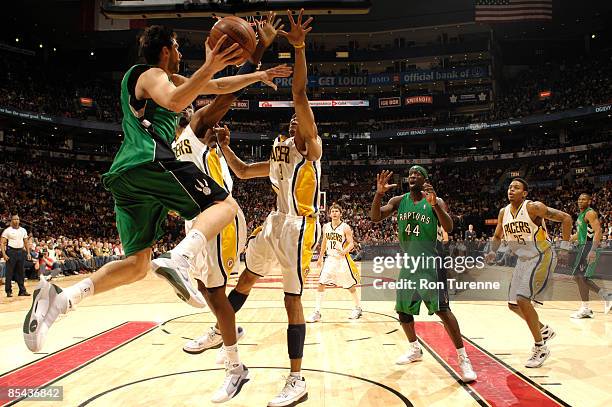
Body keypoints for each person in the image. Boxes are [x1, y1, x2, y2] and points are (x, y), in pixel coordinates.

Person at [23, 24, 291, 353]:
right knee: (225, 206)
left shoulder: (171, 82)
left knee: (137, 265)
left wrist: (255, 76)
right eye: (177, 47)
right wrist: (209, 65)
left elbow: (218, 85)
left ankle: (60, 300)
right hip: (148, 161)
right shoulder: (148, 74)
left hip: (130, 178)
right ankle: (179, 258)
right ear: (165, 51)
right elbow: (176, 100)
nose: (181, 54)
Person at [175, 12, 287, 403]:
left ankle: (235, 368)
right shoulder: (166, 140)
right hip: (197, 219)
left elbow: (226, 95)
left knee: (217, 292)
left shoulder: (198, 125)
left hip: (220, 215)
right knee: (209, 290)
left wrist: (259, 49)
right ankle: (226, 327)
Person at [213, 10, 319, 406]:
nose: (294, 121)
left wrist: (298, 47)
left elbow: (299, 94)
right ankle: (224, 328)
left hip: (300, 225)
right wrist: (224, 144)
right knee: (245, 278)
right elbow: (240, 171)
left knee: (291, 300)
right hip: (275, 222)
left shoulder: (311, 148)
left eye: (300, 120)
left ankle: (297, 378)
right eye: (291, 120)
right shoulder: (280, 152)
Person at [370, 167, 477, 382]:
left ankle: (463, 358)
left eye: (417, 174)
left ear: (425, 179)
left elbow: (449, 226)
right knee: (403, 310)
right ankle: (414, 349)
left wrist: (435, 204)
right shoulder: (400, 201)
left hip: (431, 262)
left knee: (443, 311)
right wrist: (379, 193)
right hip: (410, 262)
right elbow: (375, 217)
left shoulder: (435, 200)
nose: (412, 176)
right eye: (410, 174)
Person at [486, 178, 572, 368]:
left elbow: (566, 218)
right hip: (523, 260)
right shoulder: (503, 212)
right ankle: (543, 330)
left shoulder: (534, 208)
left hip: (541, 255)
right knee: (513, 305)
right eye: (509, 187)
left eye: (516, 187)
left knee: (523, 299)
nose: (511, 190)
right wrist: (493, 251)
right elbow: (498, 236)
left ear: (524, 193)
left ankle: (540, 347)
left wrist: (565, 247)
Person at [307, 203, 362, 322]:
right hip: (330, 259)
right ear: (329, 214)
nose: (335, 213)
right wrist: (320, 257)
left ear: (341, 214)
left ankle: (357, 308)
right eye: (333, 211)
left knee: (349, 286)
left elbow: (351, 243)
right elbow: (324, 242)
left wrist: (345, 251)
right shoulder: (326, 226)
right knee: (321, 283)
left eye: (337, 211)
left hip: (342, 260)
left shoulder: (345, 227)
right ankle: (317, 312)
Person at [569, 193, 612, 318]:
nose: (580, 201)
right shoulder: (581, 215)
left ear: (589, 201)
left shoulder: (590, 213)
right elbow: (579, 233)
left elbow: (598, 231)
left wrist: (592, 250)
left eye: (584, 199)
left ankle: (587, 308)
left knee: (578, 276)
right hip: (583, 247)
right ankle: (605, 296)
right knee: (580, 278)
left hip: (588, 247)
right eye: (579, 199)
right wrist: (567, 239)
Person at [1, 214, 31, 297]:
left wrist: (28, 253)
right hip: (11, 252)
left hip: (21, 252)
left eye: (18, 219)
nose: (16, 221)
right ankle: (8, 291)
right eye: (14, 219)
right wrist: (4, 254)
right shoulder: (7, 230)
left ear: (19, 221)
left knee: (21, 272)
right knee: (9, 272)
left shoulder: (23, 230)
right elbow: (2, 243)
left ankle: (22, 291)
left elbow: (26, 242)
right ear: (11, 221)